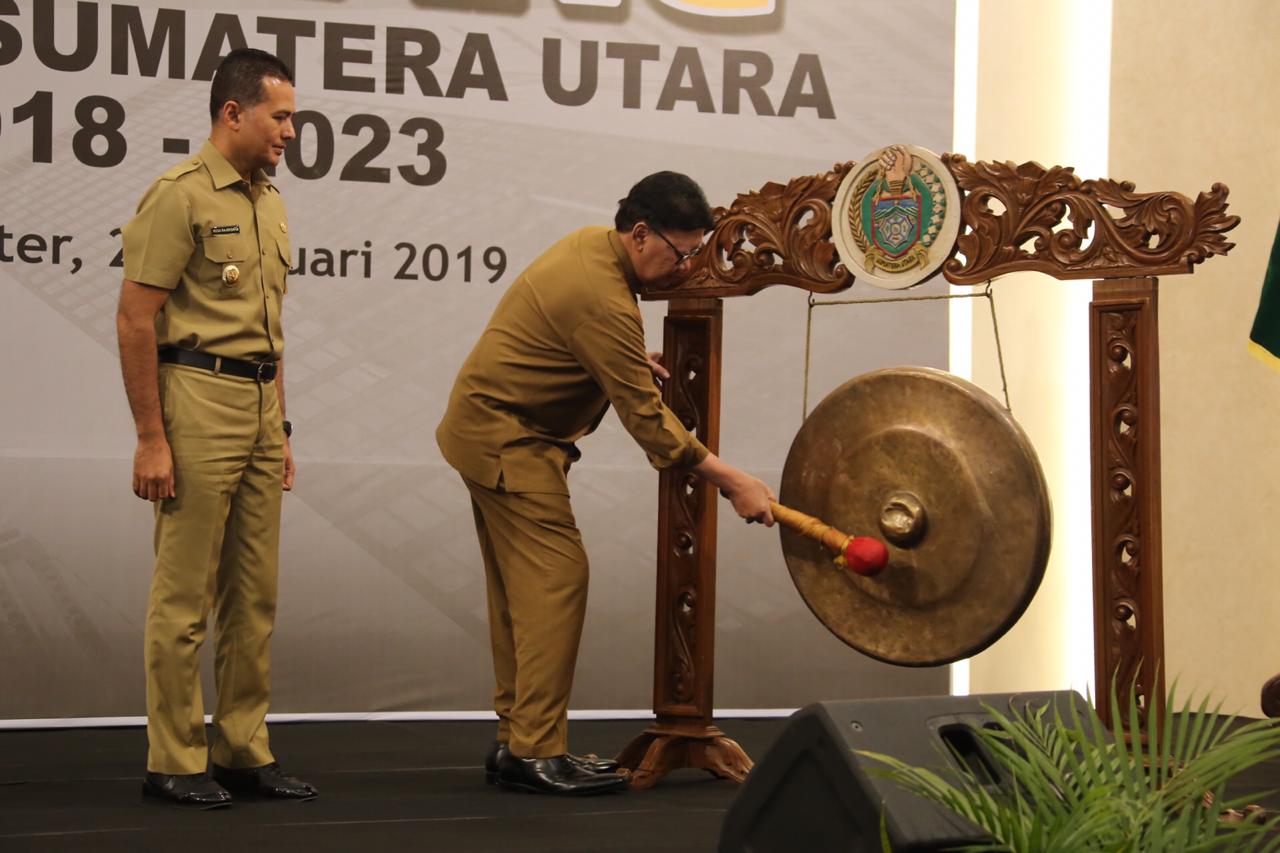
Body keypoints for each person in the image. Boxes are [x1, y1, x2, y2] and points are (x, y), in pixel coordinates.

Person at [436, 171, 776, 796]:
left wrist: (617, 362)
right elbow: (650, 425)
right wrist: (734, 480)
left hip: (487, 428)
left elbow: (575, 344)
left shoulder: (595, 249)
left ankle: (518, 740)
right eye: (681, 253)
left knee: (521, 590)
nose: (686, 267)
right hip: (509, 440)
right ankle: (536, 750)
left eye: (696, 253)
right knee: (555, 581)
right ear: (640, 233)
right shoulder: (602, 295)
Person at [115, 47, 315, 809]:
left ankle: (242, 750)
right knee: (183, 597)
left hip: (262, 406)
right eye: (281, 116)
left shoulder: (269, 200)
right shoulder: (179, 195)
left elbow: (271, 327)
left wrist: (284, 426)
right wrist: (150, 436)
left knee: (253, 595)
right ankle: (174, 758)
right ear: (234, 112)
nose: (290, 132)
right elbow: (136, 319)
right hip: (196, 398)